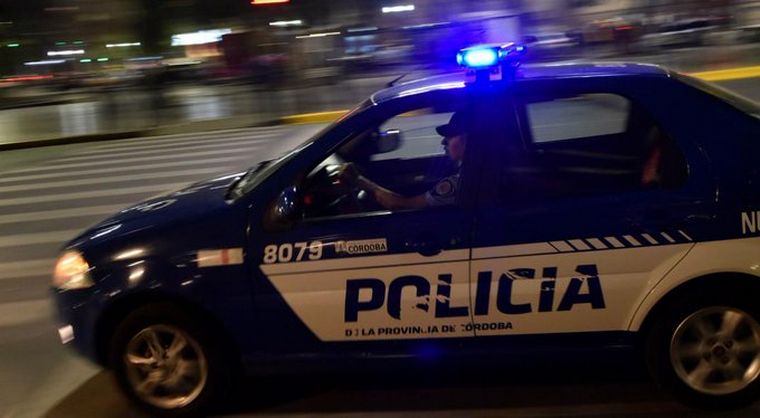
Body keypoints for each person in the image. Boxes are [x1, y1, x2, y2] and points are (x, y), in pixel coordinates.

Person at [341, 112, 469, 210]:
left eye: (450, 136)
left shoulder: (458, 184)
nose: (444, 141)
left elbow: (402, 205)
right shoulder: (468, 176)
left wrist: (359, 180)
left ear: (467, 140)